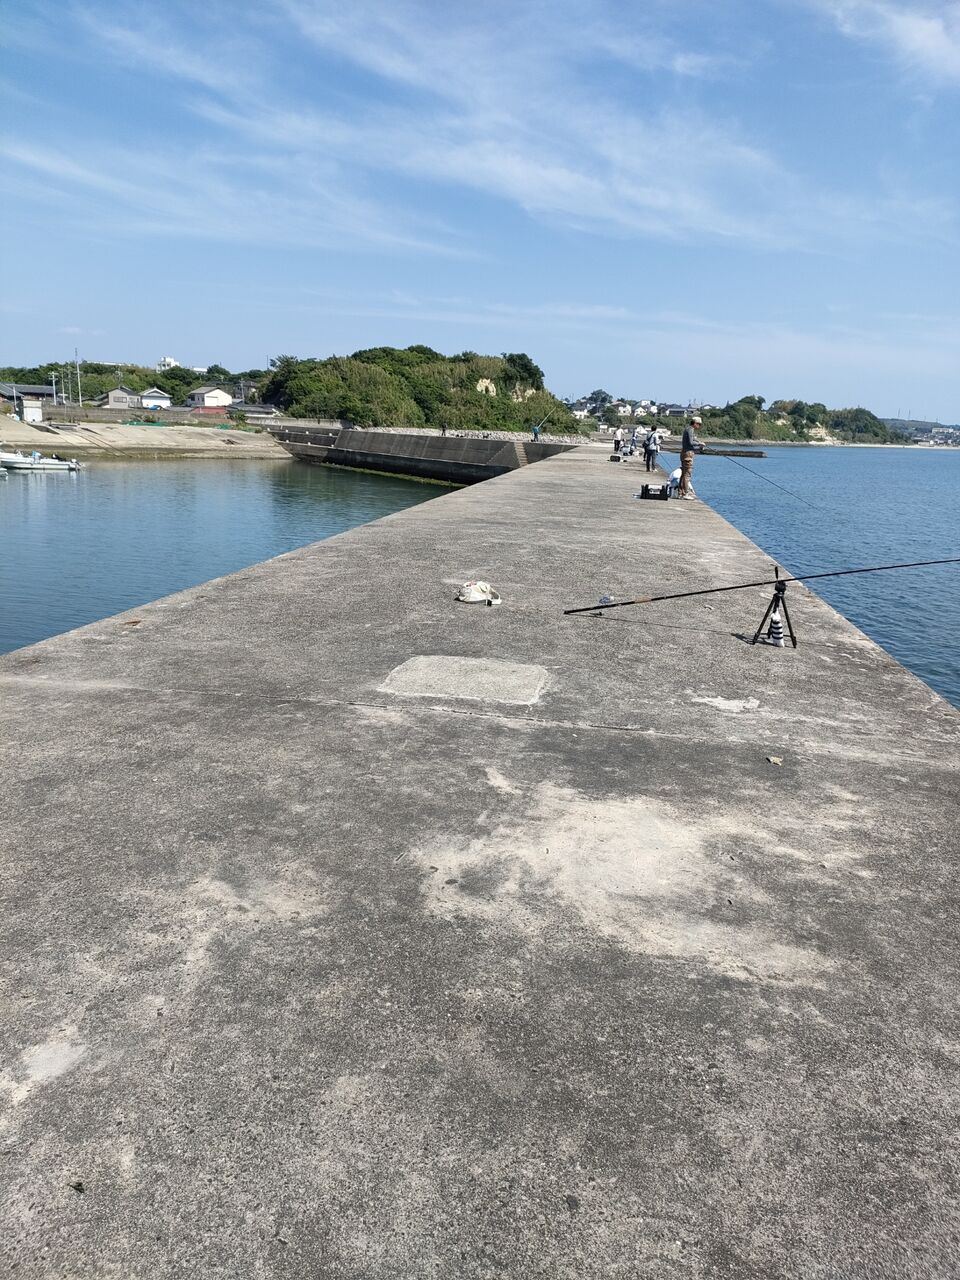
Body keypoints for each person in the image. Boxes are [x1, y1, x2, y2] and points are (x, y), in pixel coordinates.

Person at [679, 415, 705, 499]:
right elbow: (691, 442)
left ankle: (680, 492)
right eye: (699, 424)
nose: (699, 426)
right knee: (687, 474)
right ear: (695, 423)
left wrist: (699, 442)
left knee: (684, 474)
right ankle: (685, 493)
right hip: (688, 454)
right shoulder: (690, 429)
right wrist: (699, 444)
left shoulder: (688, 429)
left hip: (684, 453)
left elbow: (693, 439)